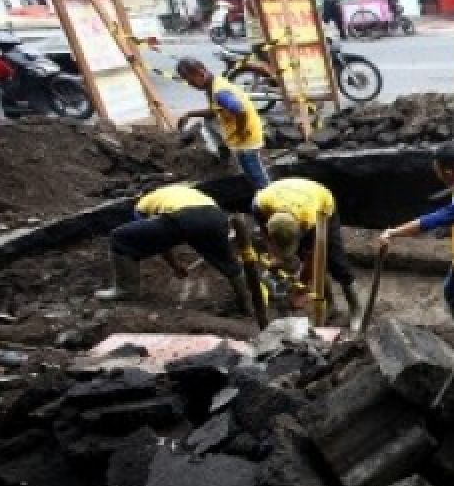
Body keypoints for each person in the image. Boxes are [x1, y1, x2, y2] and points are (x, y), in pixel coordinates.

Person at [379, 144, 454, 339]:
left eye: (438, 171)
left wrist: (393, 232)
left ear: (450, 171)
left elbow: (428, 222)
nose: (437, 175)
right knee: (452, 293)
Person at [96, 184, 252, 312]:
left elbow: (157, 241)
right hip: (216, 217)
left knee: (119, 238)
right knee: (228, 262)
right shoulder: (182, 190)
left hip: (182, 217)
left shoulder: (143, 203)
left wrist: (175, 266)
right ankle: (247, 303)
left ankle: (126, 289)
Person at [253, 178, 362, 330]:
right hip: (285, 196)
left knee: (337, 263)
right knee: (301, 261)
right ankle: (330, 306)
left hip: (322, 205)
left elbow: (314, 257)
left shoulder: (309, 220)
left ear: (300, 232)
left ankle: (356, 309)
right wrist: (274, 256)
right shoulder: (261, 204)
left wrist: (302, 289)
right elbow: (266, 233)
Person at [176, 58, 269, 191]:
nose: (191, 85)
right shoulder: (214, 85)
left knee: (255, 173)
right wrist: (189, 114)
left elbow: (240, 110)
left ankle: (266, 196)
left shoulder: (220, 92)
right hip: (242, 135)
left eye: (191, 81)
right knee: (208, 123)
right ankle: (225, 154)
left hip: (246, 139)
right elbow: (214, 112)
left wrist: (241, 131)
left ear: (201, 74)